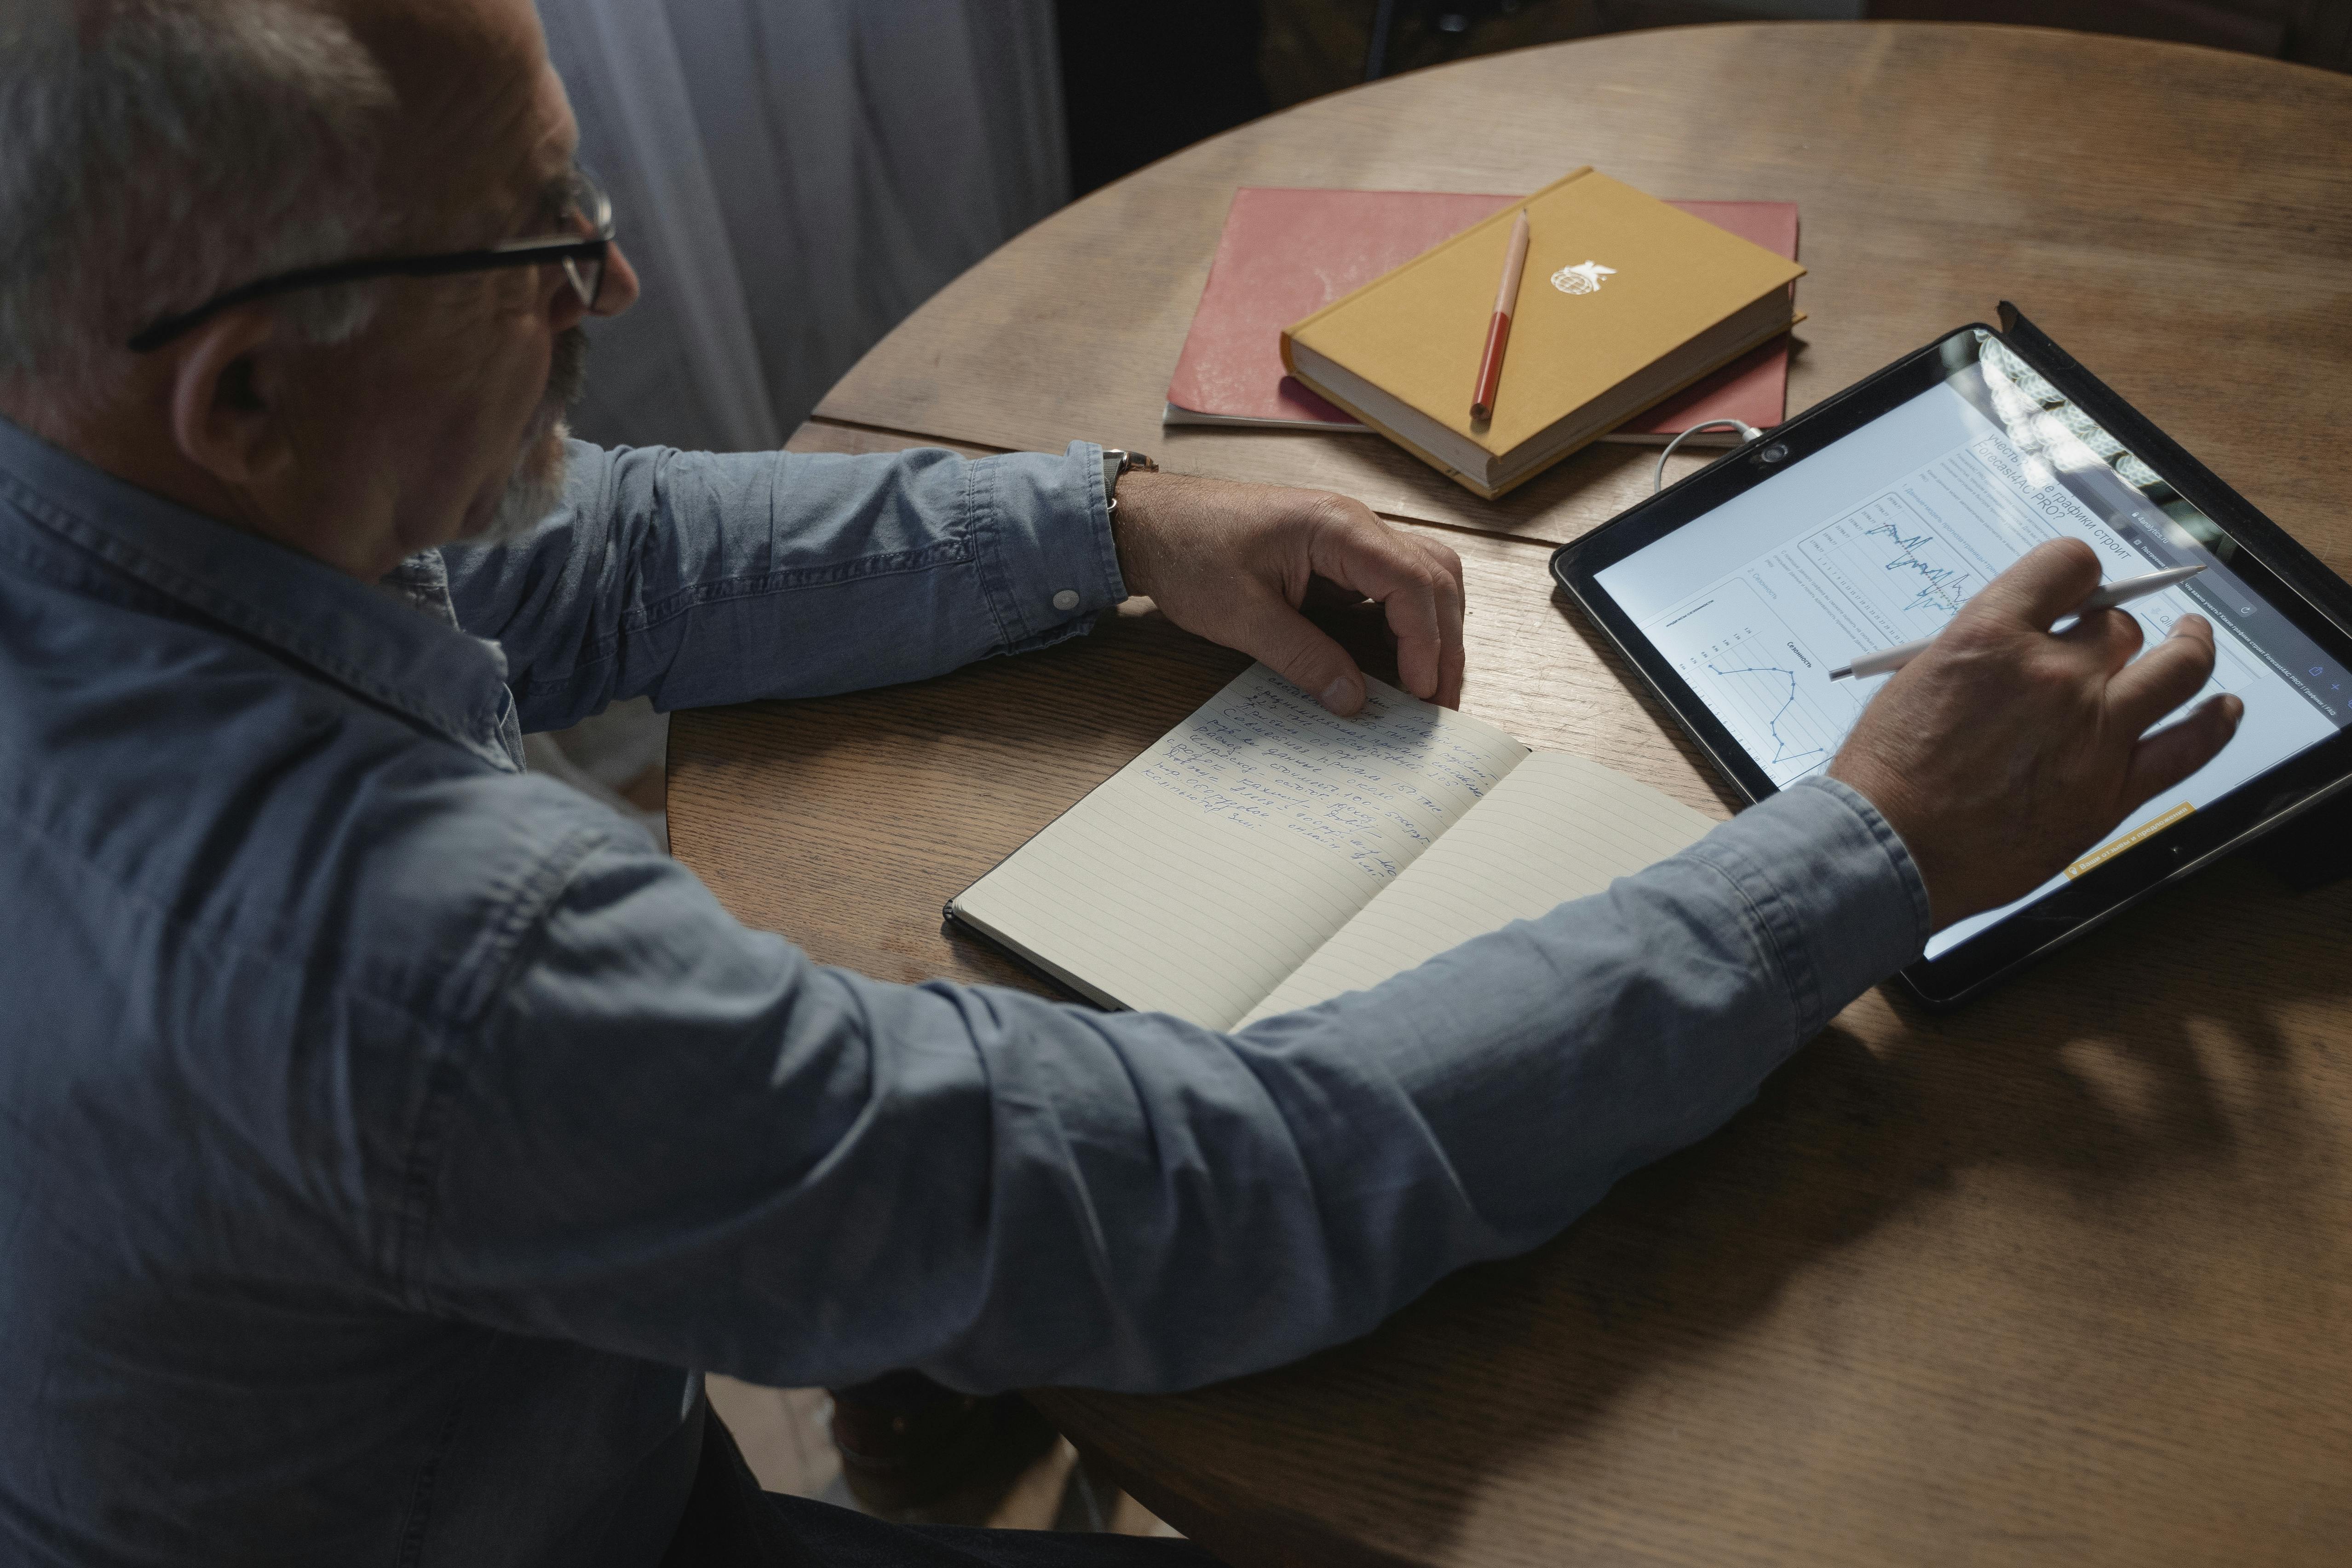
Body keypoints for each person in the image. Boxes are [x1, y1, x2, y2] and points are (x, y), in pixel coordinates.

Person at [0, 1, 2243, 1565]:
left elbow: (576, 548)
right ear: (245, 400)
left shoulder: (108, 462)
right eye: (531, 240)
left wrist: (1109, 520)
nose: (621, 274)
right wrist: (1860, 849)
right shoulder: (414, 961)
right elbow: (1209, 1206)